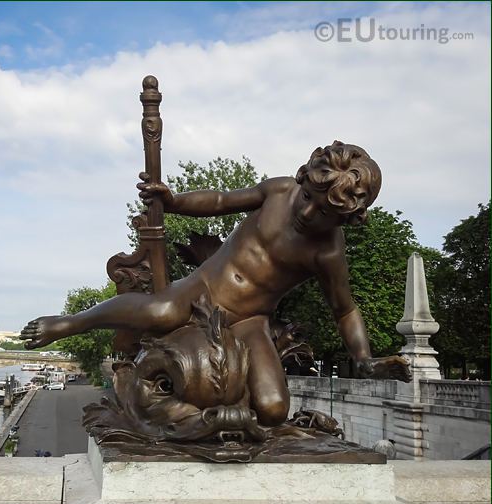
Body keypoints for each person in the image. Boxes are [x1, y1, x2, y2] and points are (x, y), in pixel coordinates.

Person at [21, 141, 409, 426]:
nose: (307, 211)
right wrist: (173, 201)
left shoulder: (327, 252)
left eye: (322, 211)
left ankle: (204, 423)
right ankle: (69, 323)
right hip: (203, 289)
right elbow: (221, 200)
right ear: (304, 180)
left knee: (274, 409)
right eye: (308, 196)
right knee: (162, 309)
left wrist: (363, 359)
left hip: (248, 321)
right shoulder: (277, 192)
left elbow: (345, 309)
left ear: (345, 217)